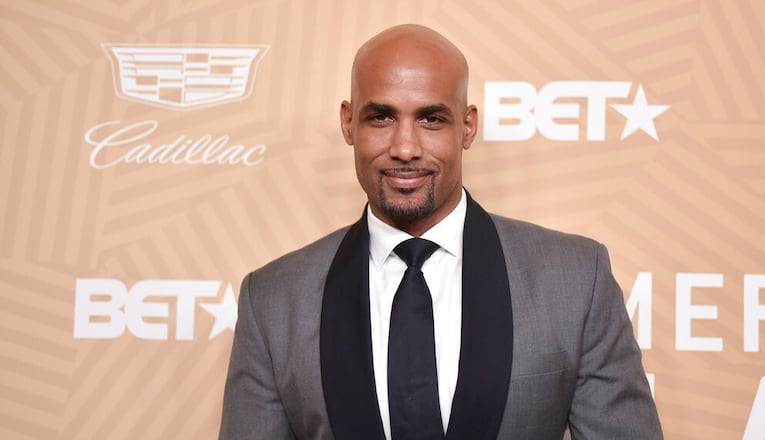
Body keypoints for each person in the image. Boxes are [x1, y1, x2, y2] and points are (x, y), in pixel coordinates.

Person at [219, 24, 662, 440]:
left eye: (431, 119)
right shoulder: (273, 300)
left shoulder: (576, 280)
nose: (406, 147)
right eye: (381, 118)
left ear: (467, 126)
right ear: (348, 123)